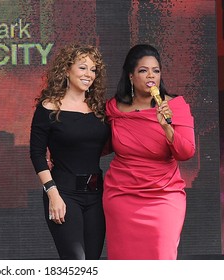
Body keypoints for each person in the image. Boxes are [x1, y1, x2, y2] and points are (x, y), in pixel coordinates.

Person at [103, 44, 195, 260]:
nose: (151, 75)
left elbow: (186, 152)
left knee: (161, 259)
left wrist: (166, 127)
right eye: (143, 71)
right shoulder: (114, 109)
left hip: (164, 196)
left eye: (156, 70)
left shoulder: (176, 106)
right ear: (131, 76)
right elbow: (97, 144)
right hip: (121, 196)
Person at [29, 44, 110, 259]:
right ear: (66, 70)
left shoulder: (100, 109)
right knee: (76, 263)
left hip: (97, 196)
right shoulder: (48, 107)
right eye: (83, 68)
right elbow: (37, 154)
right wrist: (52, 194)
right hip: (63, 193)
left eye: (93, 70)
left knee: (92, 264)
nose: (89, 75)